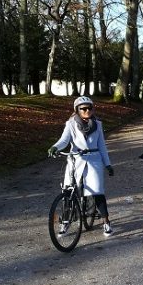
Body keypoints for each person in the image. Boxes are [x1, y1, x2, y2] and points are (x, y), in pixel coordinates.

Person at [48, 96, 115, 236]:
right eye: (83, 108)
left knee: (97, 192)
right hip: (75, 160)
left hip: (94, 160)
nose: (87, 111)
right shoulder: (70, 124)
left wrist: (107, 164)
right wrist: (55, 147)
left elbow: (102, 146)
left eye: (89, 108)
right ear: (77, 110)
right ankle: (65, 222)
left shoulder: (98, 124)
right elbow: (64, 140)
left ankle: (106, 222)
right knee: (68, 191)